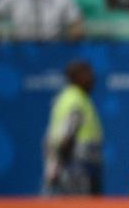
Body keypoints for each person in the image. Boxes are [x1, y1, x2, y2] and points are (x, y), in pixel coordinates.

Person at [42, 60, 103, 195]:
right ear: (75, 76)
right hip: (77, 167)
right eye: (87, 74)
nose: (92, 78)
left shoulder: (74, 97)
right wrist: (57, 165)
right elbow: (66, 135)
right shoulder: (74, 100)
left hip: (81, 165)